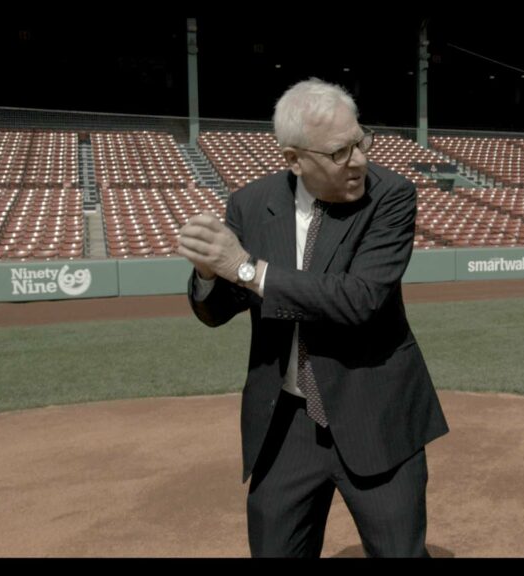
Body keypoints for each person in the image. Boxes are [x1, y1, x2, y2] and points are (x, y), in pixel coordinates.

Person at [178, 78, 448, 558]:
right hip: (287, 423)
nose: (359, 159)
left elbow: (360, 299)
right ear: (294, 159)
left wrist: (243, 267)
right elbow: (219, 310)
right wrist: (208, 272)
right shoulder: (250, 204)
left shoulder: (391, 194)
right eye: (340, 152)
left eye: (361, 140)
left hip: (375, 412)